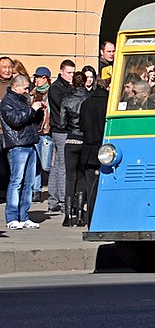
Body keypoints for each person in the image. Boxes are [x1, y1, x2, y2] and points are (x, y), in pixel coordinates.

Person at [1, 75, 45, 229]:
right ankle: (12, 217)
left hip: (30, 143)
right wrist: (32, 109)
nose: (27, 91)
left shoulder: (22, 100)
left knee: (29, 182)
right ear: (15, 87)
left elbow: (31, 121)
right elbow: (15, 120)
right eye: (25, 88)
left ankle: (24, 216)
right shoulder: (7, 102)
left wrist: (38, 111)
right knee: (16, 181)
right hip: (17, 145)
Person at [60, 71, 90, 226]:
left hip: (71, 139)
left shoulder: (67, 99)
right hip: (85, 140)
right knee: (82, 177)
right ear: (85, 82)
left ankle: (67, 216)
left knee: (70, 177)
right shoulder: (89, 98)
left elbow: (61, 124)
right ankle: (79, 214)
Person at [80, 78, 109, 225]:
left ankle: (90, 220)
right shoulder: (109, 105)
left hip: (89, 150)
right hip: (106, 152)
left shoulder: (86, 103)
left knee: (91, 189)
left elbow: (82, 126)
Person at [48, 59, 75, 213]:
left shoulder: (66, 87)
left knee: (58, 164)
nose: (71, 76)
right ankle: (63, 200)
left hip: (63, 129)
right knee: (63, 165)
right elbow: (63, 104)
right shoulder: (56, 88)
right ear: (61, 72)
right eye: (69, 73)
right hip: (60, 130)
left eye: (73, 72)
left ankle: (53, 199)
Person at [31, 67, 54, 204]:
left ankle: (53, 190)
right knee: (36, 164)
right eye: (36, 77)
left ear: (46, 78)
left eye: (40, 77)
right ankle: (36, 191)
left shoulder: (51, 93)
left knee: (47, 165)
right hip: (34, 132)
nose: (37, 80)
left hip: (46, 133)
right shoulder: (33, 93)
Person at [0, 56, 13, 203]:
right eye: (4, 67)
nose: (7, 70)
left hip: (12, 132)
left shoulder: (15, 85)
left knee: (11, 165)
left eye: (9, 66)